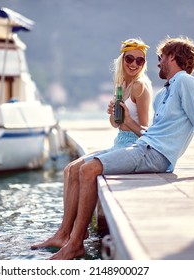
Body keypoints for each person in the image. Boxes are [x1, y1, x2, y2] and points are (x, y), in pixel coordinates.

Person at [33, 36, 194, 260]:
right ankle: (67, 237)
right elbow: (148, 132)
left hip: (155, 154)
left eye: (160, 57)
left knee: (88, 170)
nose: (157, 63)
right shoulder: (164, 92)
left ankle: (75, 244)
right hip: (144, 146)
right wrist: (125, 119)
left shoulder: (187, 83)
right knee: (79, 167)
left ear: (173, 57)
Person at [31, 38, 152, 251]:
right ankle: (63, 233)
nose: (134, 64)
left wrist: (125, 119)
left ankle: (73, 234)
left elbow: (145, 132)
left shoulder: (140, 87)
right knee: (70, 169)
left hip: (132, 146)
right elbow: (117, 125)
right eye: (130, 58)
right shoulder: (122, 85)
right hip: (119, 142)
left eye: (139, 61)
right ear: (122, 59)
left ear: (144, 64)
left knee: (80, 169)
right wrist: (113, 114)